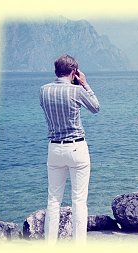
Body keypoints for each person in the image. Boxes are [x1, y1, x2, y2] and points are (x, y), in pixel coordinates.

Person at [40, 54, 100, 243]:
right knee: (79, 200)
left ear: (56, 71)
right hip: (76, 148)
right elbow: (95, 107)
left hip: (54, 148)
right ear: (74, 72)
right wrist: (84, 84)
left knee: (53, 200)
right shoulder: (77, 91)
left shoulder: (43, 91)